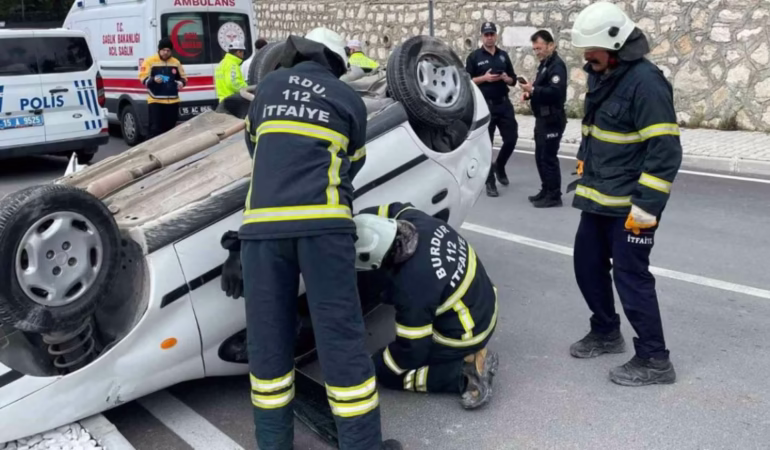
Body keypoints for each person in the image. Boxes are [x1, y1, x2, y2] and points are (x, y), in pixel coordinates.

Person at [239, 27, 401, 450]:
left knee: (268, 341)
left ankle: (273, 445)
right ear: (337, 63)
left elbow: (255, 149)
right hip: (324, 228)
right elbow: (352, 164)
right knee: (341, 339)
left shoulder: (269, 86)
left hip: (262, 231)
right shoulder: (348, 98)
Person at [568, 2, 682, 386]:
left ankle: (655, 359)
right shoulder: (603, 74)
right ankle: (605, 332)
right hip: (599, 196)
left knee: (631, 277)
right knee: (587, 264)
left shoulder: (647, 83)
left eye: (593, 50)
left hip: (632, 205)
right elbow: (594, 129)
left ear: (615, 44)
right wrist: (583, 163)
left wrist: (647, 208)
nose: (587, 57)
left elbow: (665, 151)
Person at [353, 203, 500, 410]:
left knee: (390, 374)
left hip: (467, 332)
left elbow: (412, 350)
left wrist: (377, 364)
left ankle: (464, 374)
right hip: (485, 302)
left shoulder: (413, 287)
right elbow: (390, 209)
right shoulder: (415, 219)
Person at [465, 22, 518, 198]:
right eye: (486, 34)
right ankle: (490, 181)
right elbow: (467, 81)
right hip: (484, 106)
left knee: (511, 139)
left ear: (496, 35)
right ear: (482, 36)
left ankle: (499, 165)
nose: (489, 37)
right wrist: (485, 78)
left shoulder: (503, 56)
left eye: (492, 34)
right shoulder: (474, 57)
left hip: (503, 103)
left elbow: (513, 79)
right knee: (486, 146)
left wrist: (506, 78)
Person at [519, 30, 568, 208]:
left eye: (539, 48)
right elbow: (541, 88)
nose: (537, 52)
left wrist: (533, 90)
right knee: (540, 157)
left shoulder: (557, 66)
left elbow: (555, 92)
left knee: (548, 158)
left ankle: (554, 196)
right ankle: (546, 189)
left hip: (552, 119)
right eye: (534, 49)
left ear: (550, 45)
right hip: (542, 118)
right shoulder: (545, 64)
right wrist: (530, 94)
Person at [138, 37, 187, 138]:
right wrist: (153, 80)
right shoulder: (150, 61)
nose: (166, 53)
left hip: (173, 101)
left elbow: (184, 78)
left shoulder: (176, 62)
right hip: (156, 101)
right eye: (163, 50)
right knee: (155, 130)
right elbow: (143, 78)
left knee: (171, 130)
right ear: (159, 50)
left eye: (168, 50)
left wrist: (181, 83)